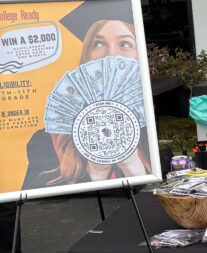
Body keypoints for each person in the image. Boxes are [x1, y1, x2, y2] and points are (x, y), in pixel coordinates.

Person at [24, 19, 151, 189]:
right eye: (98, 43)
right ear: (87, 56)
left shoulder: (151, 132)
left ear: (139, 55)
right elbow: (37, 209)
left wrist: (136, 171)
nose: (111, 54)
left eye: (125, 43)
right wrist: (95, 179)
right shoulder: (47, 142)